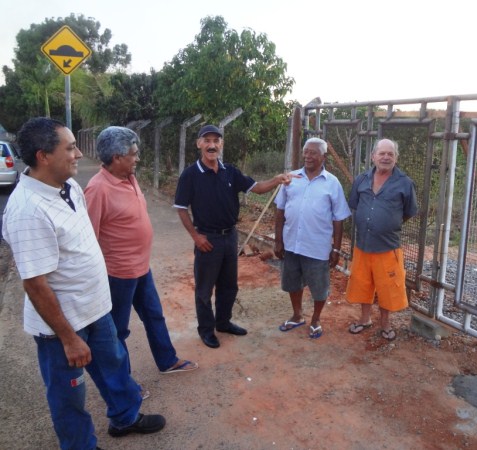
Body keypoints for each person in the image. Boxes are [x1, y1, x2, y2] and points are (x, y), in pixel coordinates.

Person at [1, 118, 165, 450]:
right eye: (70, 147)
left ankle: (125, 418)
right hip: (63, 326)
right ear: (43, 156)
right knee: (68, 393)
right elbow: (35, 284)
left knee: (114, 366)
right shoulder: (27, 211)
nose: (78, 154)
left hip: (95, 308)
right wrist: (69, 338)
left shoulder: (69, 185)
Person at [84, 126, 198, 381]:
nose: (137, 158)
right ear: (116, 157)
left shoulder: (129, 177)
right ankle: (125, 386)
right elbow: (88, 237)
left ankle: (167, 361)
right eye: (133, 154)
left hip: (141, 268)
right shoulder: (98, 189)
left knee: (154, 315)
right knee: (117, 331)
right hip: (118, 274)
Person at [174, 124, 295, 349]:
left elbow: (257, 187)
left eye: (216, 141)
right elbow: (181, 208)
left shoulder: (230, 171)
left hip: (230, 238)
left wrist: (276, 180)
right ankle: (206, 330)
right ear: (199, 144)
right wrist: (196, 238)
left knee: (229, 286)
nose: (212, 145)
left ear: (221, 144)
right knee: (204, 289)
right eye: (207, 140)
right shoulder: (190, 175)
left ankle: (223, 322)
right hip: (207, 239)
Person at [274, 137, 351, 339]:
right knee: (292, 282)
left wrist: (335, 248)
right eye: (306, 152)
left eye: (313, 152)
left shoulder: (332, 183)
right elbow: (280, 209)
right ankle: (297, 315)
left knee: (319, 287)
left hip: (317, 247)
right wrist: (278, 240)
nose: (308, 156)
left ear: (323, 157)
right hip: (291, 243)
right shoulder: (291, 178)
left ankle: (316, 319)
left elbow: (339, 218)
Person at [346, 138, 418, 341]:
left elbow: (409, 212)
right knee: (362, 284)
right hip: (363, 245)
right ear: (373, 156)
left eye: (390, 154)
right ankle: (364, 319)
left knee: (387, 288)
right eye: (382, 153)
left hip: (388, 247)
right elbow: (355, 204)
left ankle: (385, 325)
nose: (386, 157)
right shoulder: (361, 179)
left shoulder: (404, 183)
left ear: (396, 158)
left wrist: (388, 222)